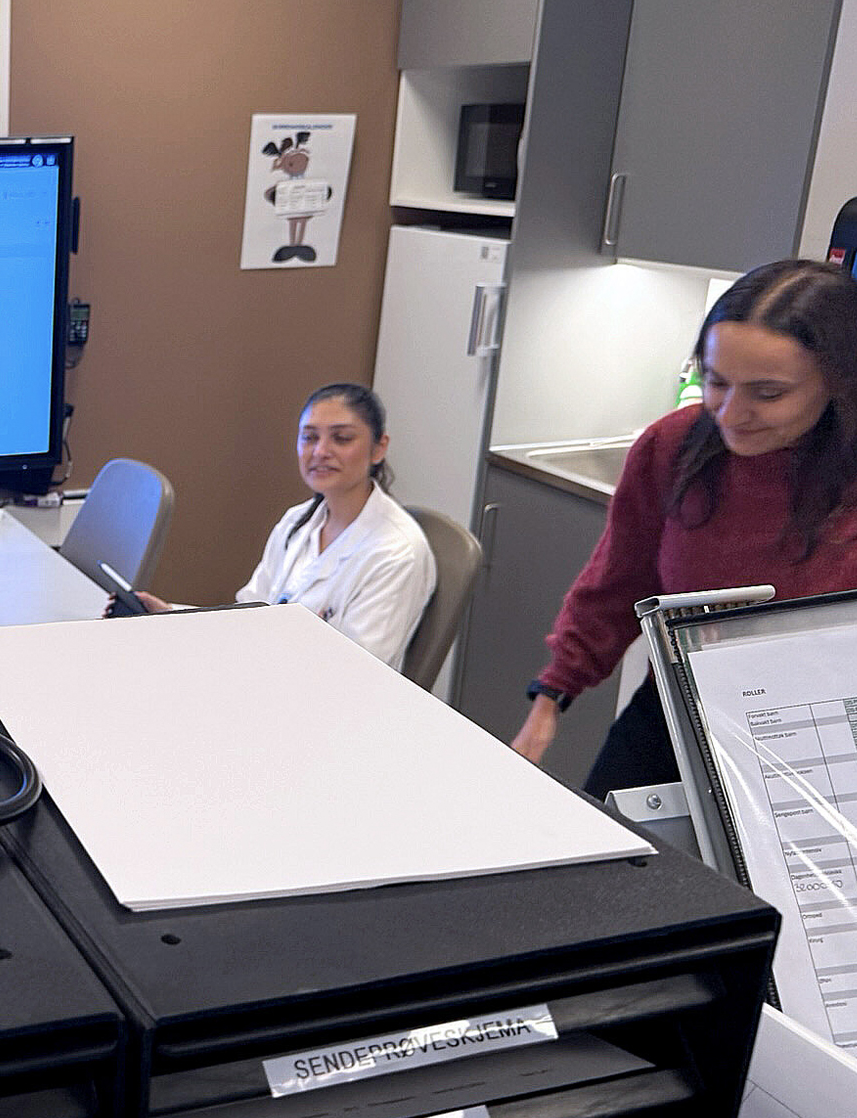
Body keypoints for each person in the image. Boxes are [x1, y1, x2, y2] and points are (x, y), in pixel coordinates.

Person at [512, 259, 857, 796]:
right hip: (676, 711)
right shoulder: (672, 447)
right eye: (716, 381)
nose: (730, 414)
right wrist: (551, 697)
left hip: (816, 734)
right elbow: (618, 582)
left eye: (767, 393)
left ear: (838, 381)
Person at [131, 382, 437, 670]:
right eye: (309, 437)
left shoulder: (396, 552)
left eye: (342, 438)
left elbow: (357, 671)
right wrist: (173, 616)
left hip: (325, 696)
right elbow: (249, 613)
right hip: (265, 672)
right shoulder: (298, 521)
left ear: (379, 448)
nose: (320, 451)